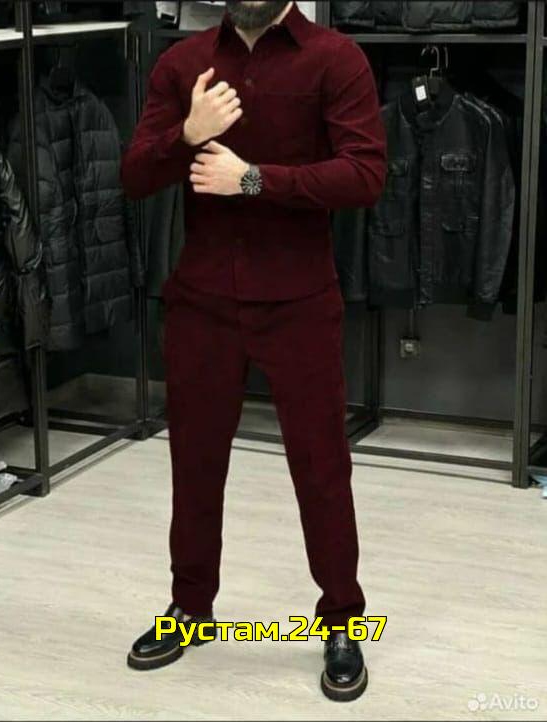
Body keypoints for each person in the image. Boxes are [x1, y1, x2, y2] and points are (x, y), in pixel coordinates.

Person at [121, 0, 386, 703]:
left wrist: (255, 178)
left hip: (300, 302)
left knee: (321, 468)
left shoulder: (335, 59)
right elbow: (136, 175)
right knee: (194, 465)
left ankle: (341, 620)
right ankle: (189, 609)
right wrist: (187, 134)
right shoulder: (182, 63)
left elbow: (365, 175)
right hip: (201, 301)